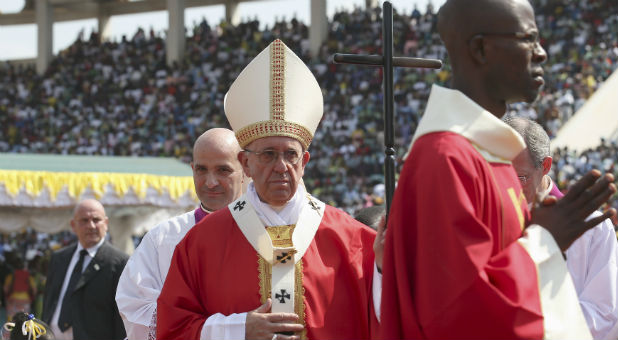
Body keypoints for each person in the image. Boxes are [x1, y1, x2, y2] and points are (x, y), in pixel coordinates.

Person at [379, 0, 617, 339]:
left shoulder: (493, 157)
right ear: (480, 49)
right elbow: (459, 312)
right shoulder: (447, 158)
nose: (541, 53)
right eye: (528, 38)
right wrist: (545, 240)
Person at [157, 39, 382, 340]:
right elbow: (172, 328)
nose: (281, 166)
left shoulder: (352, 239)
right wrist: (238, 330)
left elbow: (387, 320)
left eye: (290, 155)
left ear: (304, 161)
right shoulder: (202, 242)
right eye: (267, 155)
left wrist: (385, 268)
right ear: (245, 163)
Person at [115, 128, 245, 340]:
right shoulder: (163, 237)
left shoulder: (264, 234)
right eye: (201, 170)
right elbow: (134, 306)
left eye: (223, 170)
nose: (210, 182)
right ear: (192, 169)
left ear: (245, 169)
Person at [506, 116, 618, 339]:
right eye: (500, 174)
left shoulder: (592, 227)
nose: (509, 185)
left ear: (545, 166)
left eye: (520, 177)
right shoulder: (488, 220)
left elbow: (603, 314)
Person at [42, 199, 128, 340]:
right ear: (73, 225)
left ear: (106, 224)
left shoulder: (119, 262)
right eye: (84, 220)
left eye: (96, 219)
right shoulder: (59, 258)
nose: (91, 225)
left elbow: (120, 317)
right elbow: (49, 301)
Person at [3, 257, 36, 322]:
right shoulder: (29, 277)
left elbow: (5, 289)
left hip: (13, 301)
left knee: (11, 321)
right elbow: (34, 290)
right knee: (23, 321)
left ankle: (10, 331)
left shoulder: (10, 276)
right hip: (25, 301)